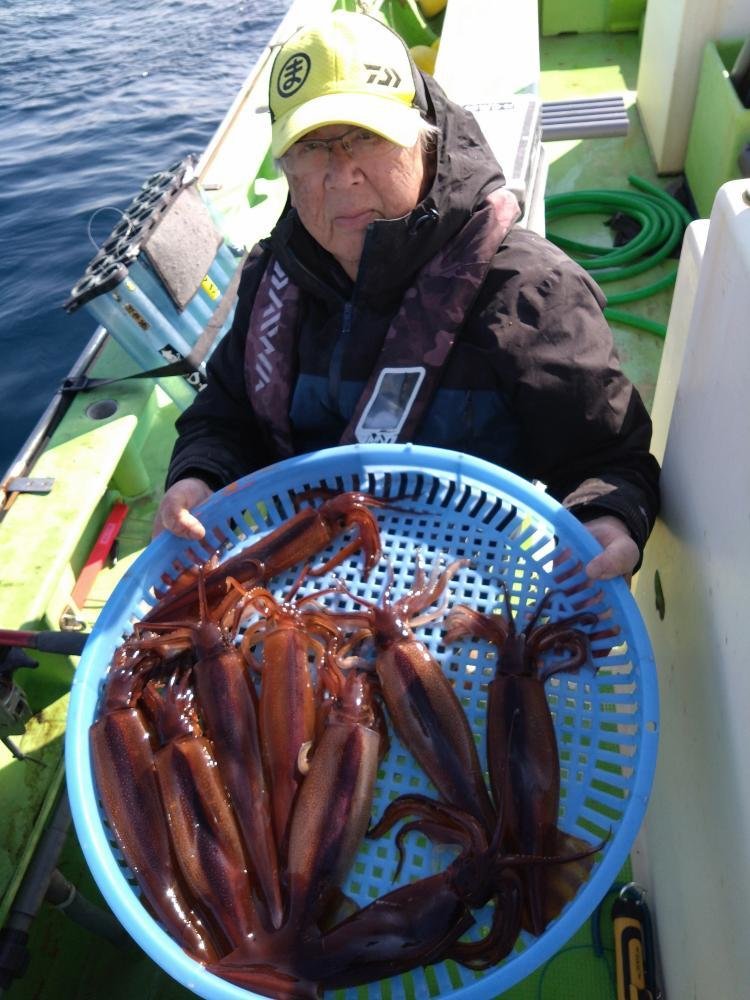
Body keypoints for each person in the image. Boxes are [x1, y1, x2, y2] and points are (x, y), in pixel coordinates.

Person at [153, 9, 660, 582]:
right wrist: (199, 475)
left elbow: (609, 460)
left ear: (425, 138)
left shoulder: (531, 293)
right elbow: (225, 414)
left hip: (472, 579)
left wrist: (607, 519)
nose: (342, 173)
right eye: (311, 147)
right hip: (306, 577)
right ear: (286, 167)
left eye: (366, 137)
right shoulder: (272, 277)